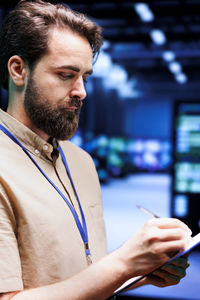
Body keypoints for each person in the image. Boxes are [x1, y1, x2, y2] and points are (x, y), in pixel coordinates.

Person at [0, 0, 192, 299]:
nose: (82, 91)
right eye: (66, 75)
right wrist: (124, 261)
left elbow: (82, 276)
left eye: (85, 77)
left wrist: (138, 273)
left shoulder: (81, 162)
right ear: (18, 70)